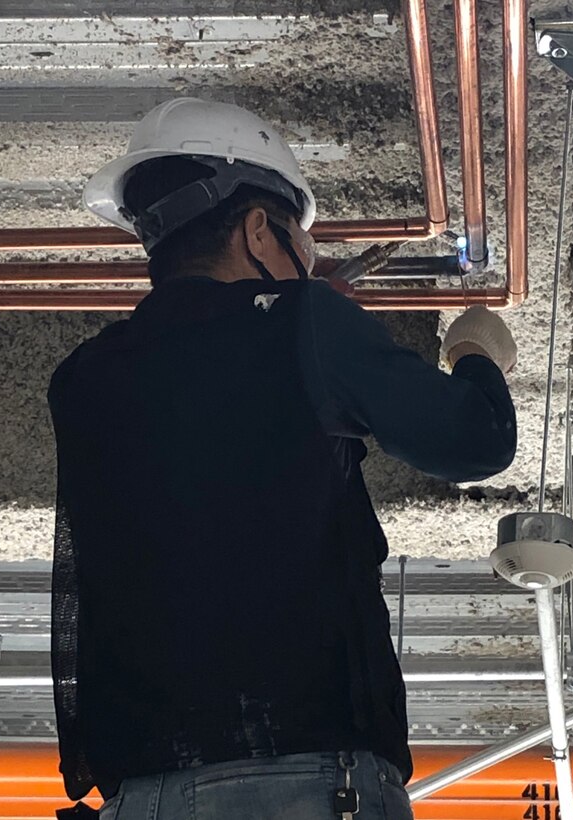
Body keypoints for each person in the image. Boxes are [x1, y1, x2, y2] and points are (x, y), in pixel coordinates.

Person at [48, 97, 518, 820]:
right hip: (301, 777)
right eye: (302, 240)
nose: (309, 260)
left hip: (141, 793)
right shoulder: (304, 325)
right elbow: (476, 441)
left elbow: (207, 425)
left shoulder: (83, 378)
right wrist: (476, 352)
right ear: (259, 230)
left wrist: (296, 329)